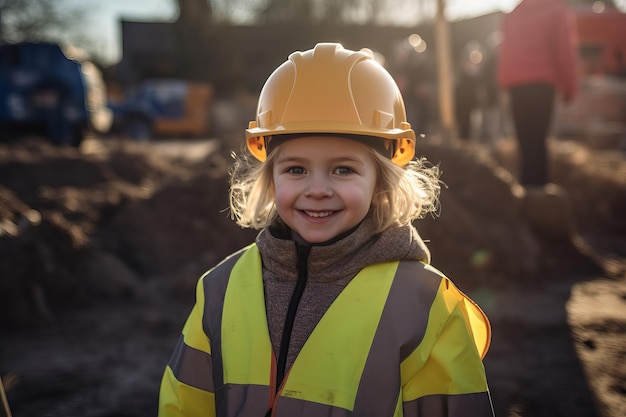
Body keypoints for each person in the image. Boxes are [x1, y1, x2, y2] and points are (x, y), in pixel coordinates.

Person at [158, 43, 494, 417]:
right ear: (270, 179)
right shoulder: (219, 290)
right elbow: (185, 404)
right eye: (296, 169)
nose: (317, 189)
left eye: (343, 169)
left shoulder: (427, 306)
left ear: (381, 182)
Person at [497, 0, 579, 186]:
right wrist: (570, 88)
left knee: (525, 144)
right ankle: (539, 195)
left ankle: (526, 189)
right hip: (542, 86)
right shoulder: (556, 11)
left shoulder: (514, 14)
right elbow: (564, 50)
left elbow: (506, 50)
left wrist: (504, 83)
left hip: (516, 87)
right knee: (539, 143)